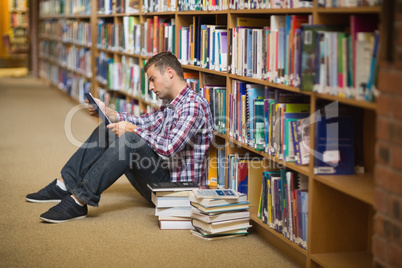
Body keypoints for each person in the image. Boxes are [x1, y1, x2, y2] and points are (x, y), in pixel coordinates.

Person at [26, 51, 214, 223]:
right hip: (160, 178)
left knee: (130, 139)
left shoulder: (193, 105)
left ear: (170, 73)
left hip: (177, 192)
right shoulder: (171, 104)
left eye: (152, 79)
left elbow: (170, 146)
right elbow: (147, 122)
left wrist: (132, 130)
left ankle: (79, 200)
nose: (150, 87)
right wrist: (111, 114)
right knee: (110, 128)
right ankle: (65, 184)